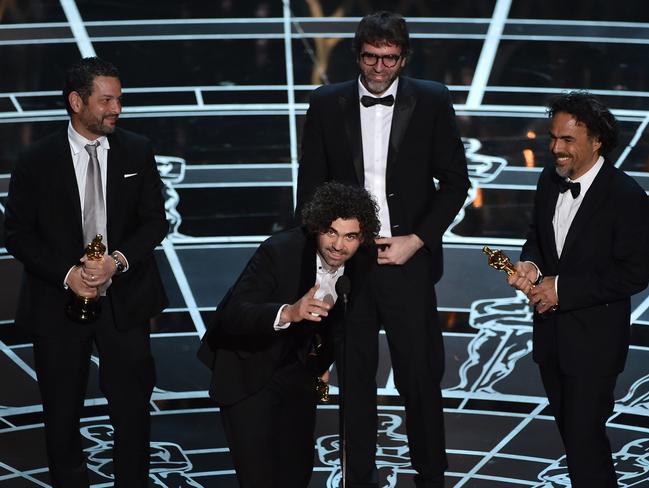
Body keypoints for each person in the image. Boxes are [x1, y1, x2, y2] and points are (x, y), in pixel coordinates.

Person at [296, 11, 470, 488]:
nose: (379, 68)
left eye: (389, 58)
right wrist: (325, 261)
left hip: (407, 262)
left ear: (404, 57)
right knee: (354, 383)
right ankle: (358, 478)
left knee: (419, 379)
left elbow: (456, 182)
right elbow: (309, 190)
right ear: (357, 55)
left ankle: (431, 477)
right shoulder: (326, 103)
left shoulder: (432, 101)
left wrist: (417, 240)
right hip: (349, 266)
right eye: (371, 57)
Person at [4, 57, 168, 487]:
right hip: (57, 306)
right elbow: (17, 235)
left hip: (126, 302)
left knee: (132, 410)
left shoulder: (138, 149)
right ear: (76, 102)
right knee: (61, 413)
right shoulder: (36, 160)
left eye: (119, 99)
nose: (116, 109)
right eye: (107, 100)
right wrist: (68, 275)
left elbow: (155, 222)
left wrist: (117, 261)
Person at [507, 91, 649, 487]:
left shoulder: (626, 197)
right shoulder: (548, 181)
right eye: (553, 138)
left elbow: (634, 274)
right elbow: (536, 236)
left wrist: (562, 290)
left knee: (585, 444)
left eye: (567, 140)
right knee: (576, 443)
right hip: (551, 341)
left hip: (594, 346)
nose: (555, 148)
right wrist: (531, 265)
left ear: (597, 141)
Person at [198, 182, 380, 488]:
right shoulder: (280, 251)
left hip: (298, 373)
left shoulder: (361, 262)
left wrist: (324, 365)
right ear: (317, 227)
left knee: (296, 471)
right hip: (248, 369)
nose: (339, 245)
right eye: (331, 232)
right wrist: (289, 312)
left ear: (361, 238)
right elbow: (233, 314)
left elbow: (343, 322)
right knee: (259, 477)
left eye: (350, 236)